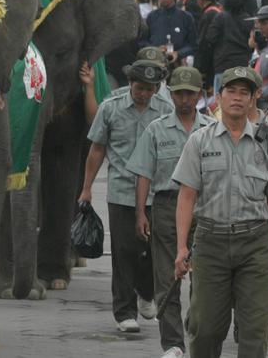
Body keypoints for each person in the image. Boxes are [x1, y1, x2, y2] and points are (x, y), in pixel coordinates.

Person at [172, 66, 268, 358]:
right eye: (231, 91)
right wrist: (181, 248)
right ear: (218, 96)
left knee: (255, 330)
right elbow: (187, 196)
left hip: (255, 244)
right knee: (204, 330)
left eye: (244, 93)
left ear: (253, 99)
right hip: (211, 244)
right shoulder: (200, 141)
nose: (237, 98)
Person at [79, 58, 170, 333]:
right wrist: (86, 188)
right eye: (140, 87)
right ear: (130, 83)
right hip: (121, 191)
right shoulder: (111, 108)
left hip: (157, 193)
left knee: (154, 252)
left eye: (150, 89)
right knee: (123, 252)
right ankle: (124, 311)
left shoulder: (166, 111)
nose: (144, 94)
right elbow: (97, 150)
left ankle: (146, 291)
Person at [129, 66, 213, 358]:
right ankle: (173, 344)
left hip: (204, 209)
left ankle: (198, 334)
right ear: (170, 94)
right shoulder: (157, 129)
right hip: (165, 207)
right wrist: (141, 212)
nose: (185, 99)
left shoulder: (212, 129)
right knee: (166, 278)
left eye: (190, 93)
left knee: (204, 281)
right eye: (179, 93)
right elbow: (143, 174)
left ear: (200, 95)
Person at [142, 0, 195, 65]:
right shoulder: (152, 17)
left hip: (179, 65)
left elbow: (193, 45)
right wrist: (155, 49)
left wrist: (178, 53)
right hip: (155, 64)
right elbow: (143, 42)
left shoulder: (186, 17)